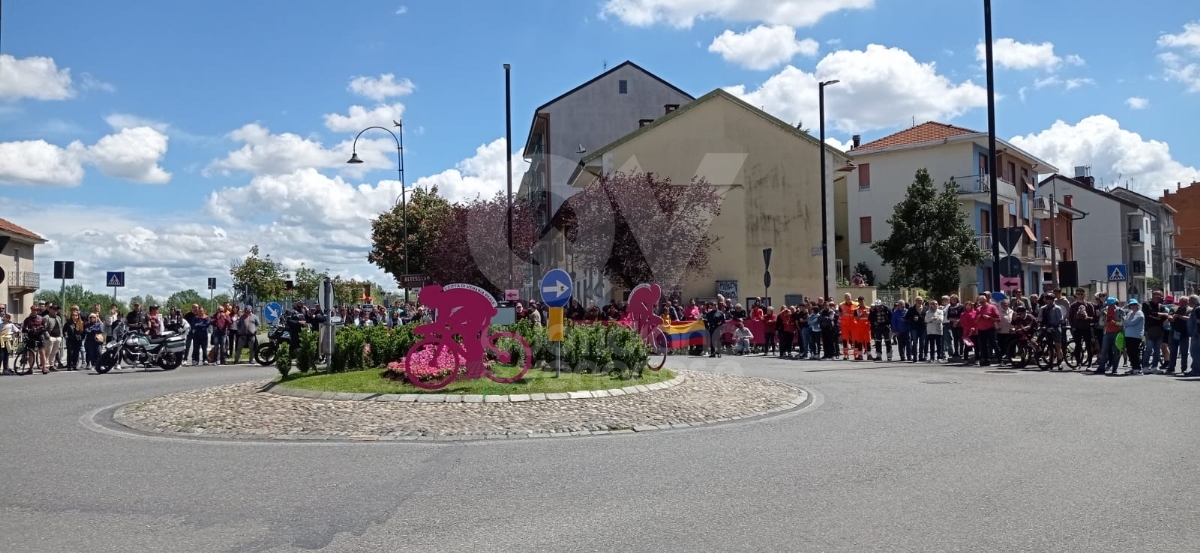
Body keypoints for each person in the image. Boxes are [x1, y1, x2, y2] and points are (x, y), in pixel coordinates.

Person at [21, 305, 48, 374]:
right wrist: (28, 330)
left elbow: (45, 327)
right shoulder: (27, 319)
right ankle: (31, 368)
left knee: (42, 352)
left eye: (36, 310)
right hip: (31, 336)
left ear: (37, 311)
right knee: (31, 353)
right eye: (33, 310)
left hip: (40, 336)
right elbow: (23, 329)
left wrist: (40, 328)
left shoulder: (41, 318)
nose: (34, 311)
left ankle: (44, 367)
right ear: (31, 310)